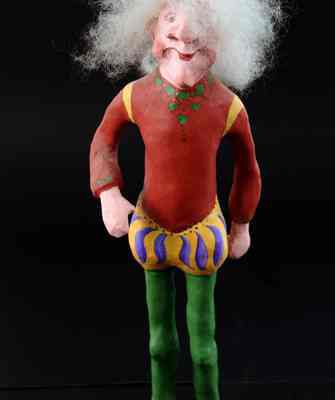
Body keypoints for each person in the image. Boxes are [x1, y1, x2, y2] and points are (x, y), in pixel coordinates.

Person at [78, 1, 284, 398]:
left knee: (204, 350)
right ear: (153, 30)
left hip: (203, 234)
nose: (184, 34)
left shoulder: (228, 106)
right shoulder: (135, 96)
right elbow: (103, 140)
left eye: (200, 22)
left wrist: (241, 222)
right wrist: (109, 194)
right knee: (159, 345)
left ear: (221, 37)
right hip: (150, 229)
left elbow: (248, 167)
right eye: (171, 18)